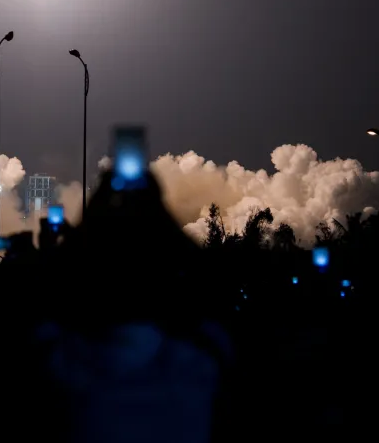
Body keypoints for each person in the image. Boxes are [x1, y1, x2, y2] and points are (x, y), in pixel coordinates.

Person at [32, 165, 230, 443]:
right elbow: (213, 287)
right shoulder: (195, 367)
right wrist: (159, 211)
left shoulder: (64, 367)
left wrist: (88, 220)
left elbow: (43, 296)